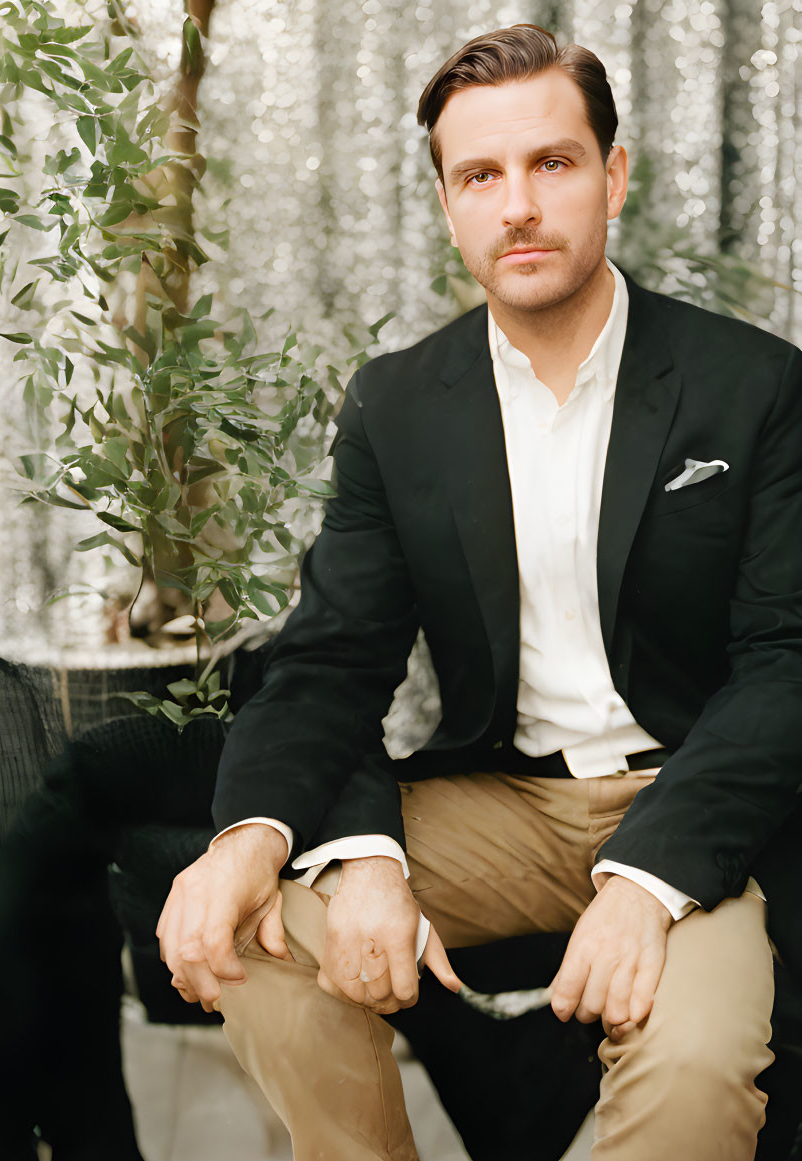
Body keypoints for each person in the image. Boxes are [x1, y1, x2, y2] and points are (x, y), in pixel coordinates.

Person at [157, 24, 802, 1161]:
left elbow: (786, 661)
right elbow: (332, 660)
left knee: (693, 1068)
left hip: (698, 798)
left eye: (551, 164)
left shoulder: (753, 387)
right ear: (448, 206)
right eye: (480, 176)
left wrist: (648, 883)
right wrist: (314, 851)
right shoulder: (401, 406)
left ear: (614, 176)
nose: (517, 206)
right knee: (259, 934)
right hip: (504, 800)